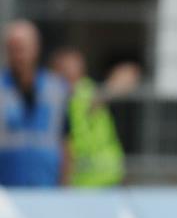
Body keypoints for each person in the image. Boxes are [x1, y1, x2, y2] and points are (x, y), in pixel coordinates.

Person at [51, 47, 139, 188]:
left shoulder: (86, 91)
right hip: (81, 183)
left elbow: (129, 74)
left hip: (105, 179)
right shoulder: (56, 100)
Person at [0, 20, 70, 187]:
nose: (19, 56)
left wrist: (66, 185)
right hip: (6, 190)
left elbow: (65, 142)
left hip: (46, 187)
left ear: (36, 49)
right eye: (13, 49)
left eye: (22, 48)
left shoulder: (57, 88)